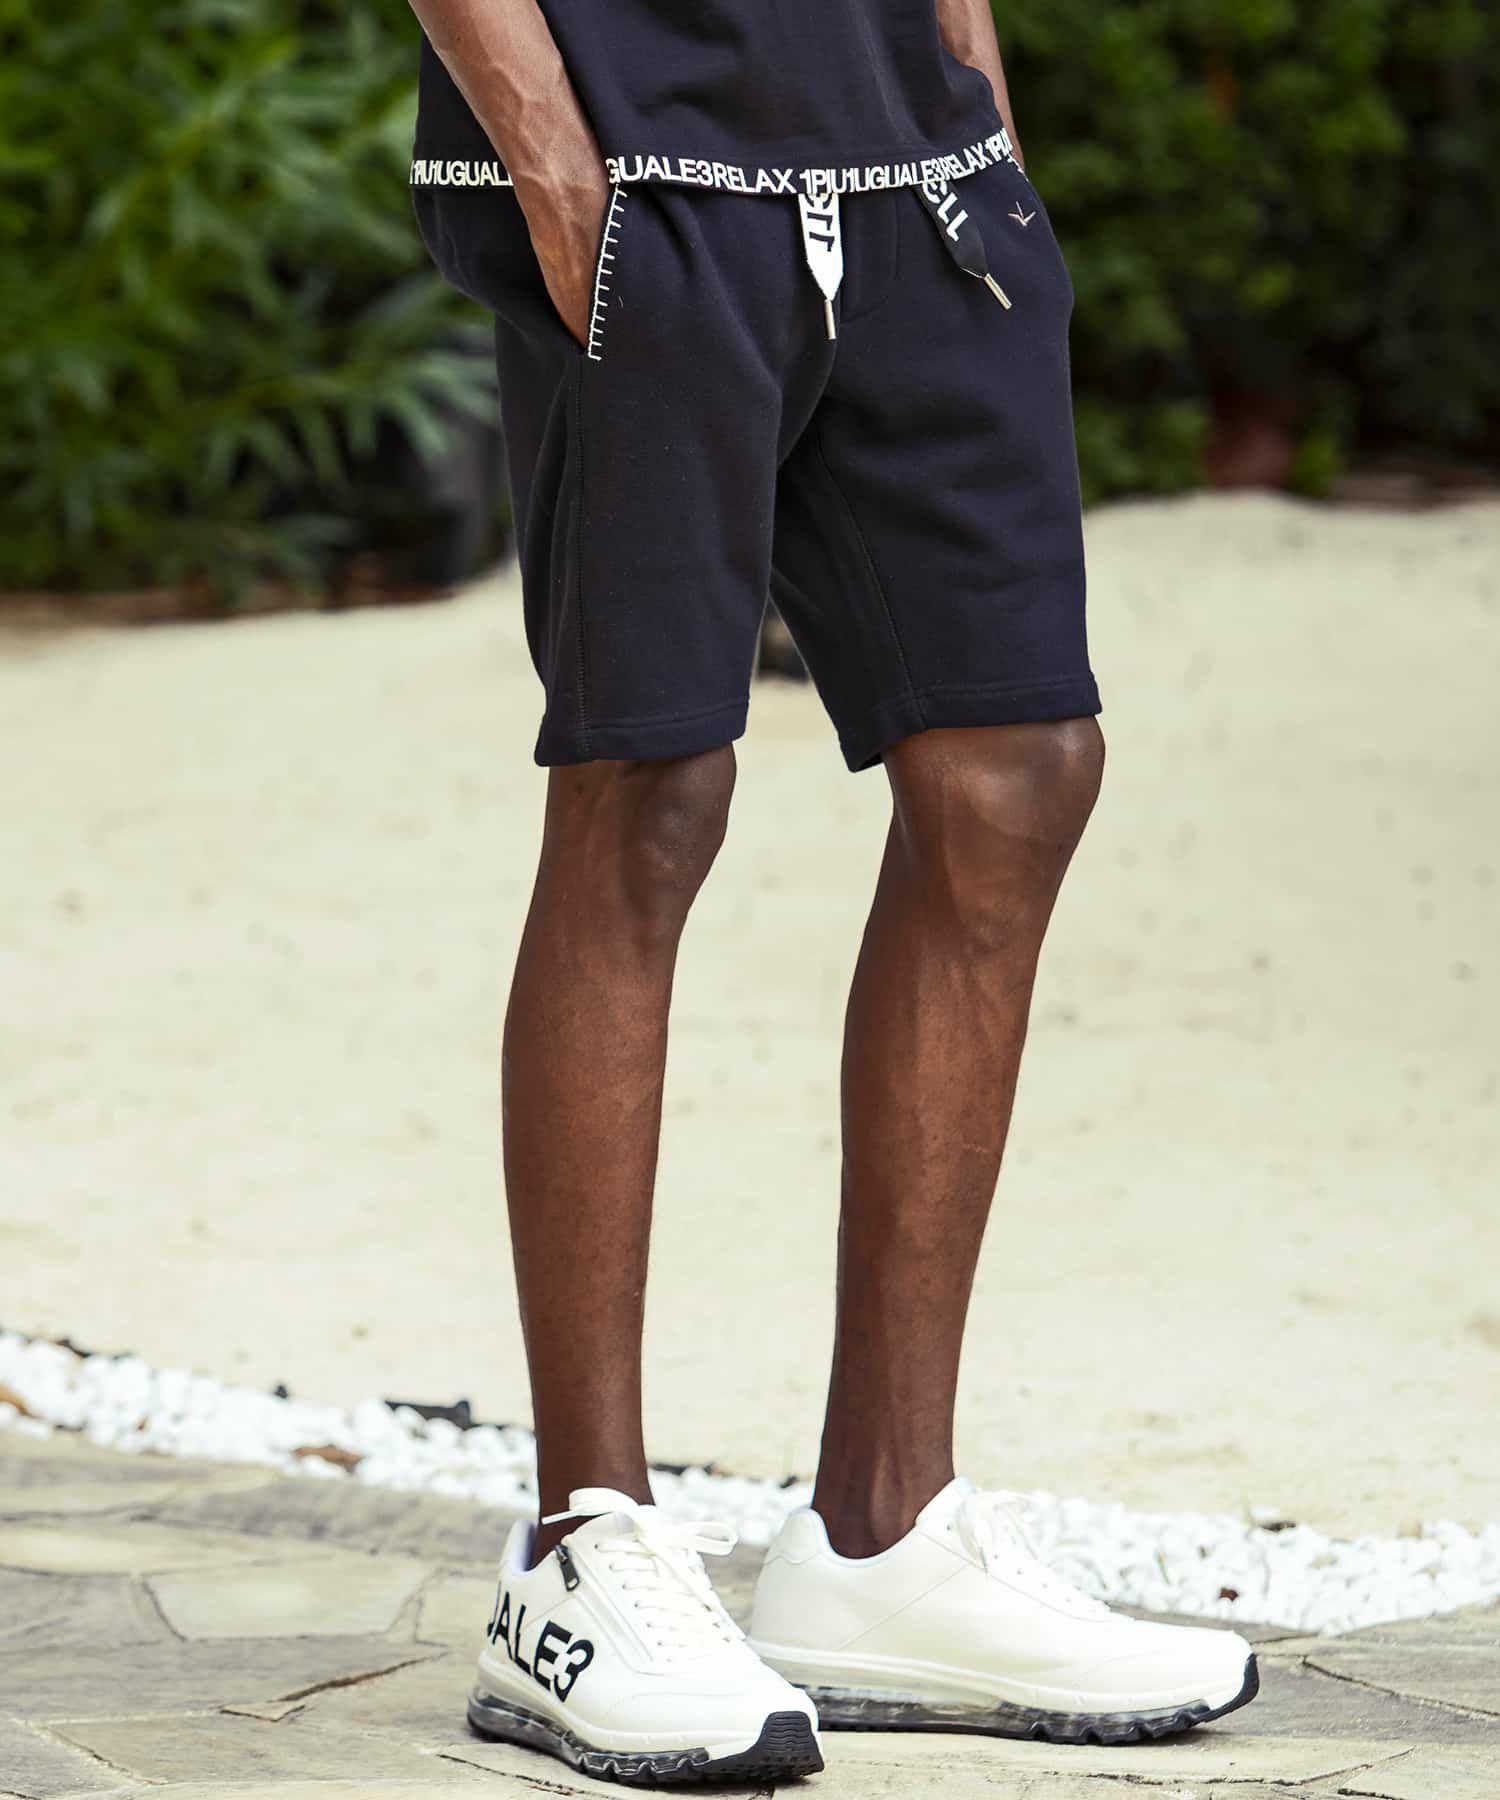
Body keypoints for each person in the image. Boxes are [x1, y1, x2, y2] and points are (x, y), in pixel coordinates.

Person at [405, 0, 1260, 1782]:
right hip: (642, 164)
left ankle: (883, 1538)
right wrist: (549, 151)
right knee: (648, 790)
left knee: (1017, 770)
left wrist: (977, 97)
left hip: (923, 171)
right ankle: (582, 1548)